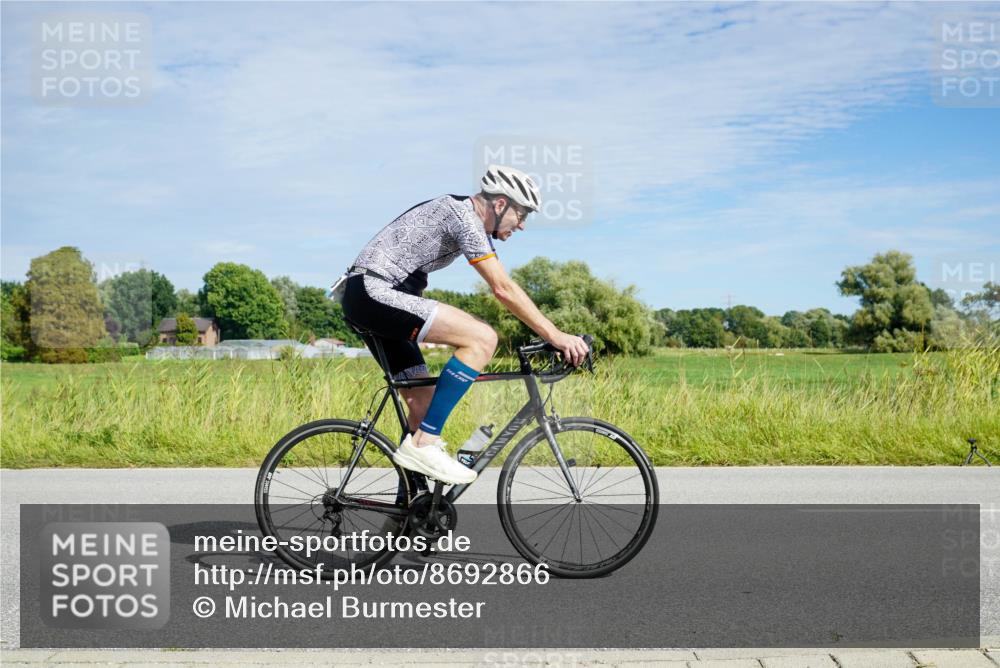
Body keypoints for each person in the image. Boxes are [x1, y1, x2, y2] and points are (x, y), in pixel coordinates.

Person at [340, 165, 590, 486]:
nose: (523, 225)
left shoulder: (466, 218)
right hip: (376, 292)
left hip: (368, 297)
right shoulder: (463, 218)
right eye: (523, 213)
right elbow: (503, 288)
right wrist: (556, 336)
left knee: (423, 406)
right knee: (482, 338)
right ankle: (426, 444)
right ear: (500, 205)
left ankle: (409, 511)